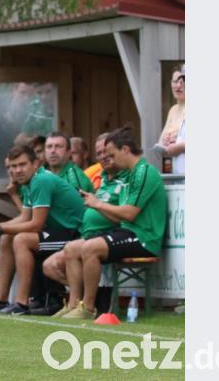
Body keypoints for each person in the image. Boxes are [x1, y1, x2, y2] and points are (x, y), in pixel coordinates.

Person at [58, 127, 167, 319]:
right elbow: (120, 216)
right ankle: (74, 304)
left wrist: (98, 203)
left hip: (144, 238)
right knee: (71, 248)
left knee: (91, 247)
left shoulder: (144, 172)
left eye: (112, 155)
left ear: (125, 149)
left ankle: (88, 308)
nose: (110, 160)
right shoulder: (131, 174)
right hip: (127, 232)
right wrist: (96, 204)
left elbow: (130, 214)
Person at [0, 145, 84, 315]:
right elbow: (25, 218)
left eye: (22, 165)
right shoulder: (28, 182)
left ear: (35, 164)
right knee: (8, 237)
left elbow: (36, 224)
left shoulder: (41, 180)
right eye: (13, 166)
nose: (17, 170)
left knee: (21, 239)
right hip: (58, 231)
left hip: (76, 234)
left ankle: (22, 302)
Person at [43, 131, 128, 315]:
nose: (103, 157)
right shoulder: (105, 178)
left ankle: (88, 304)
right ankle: (74, 303)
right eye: (99, 154)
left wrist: (97, 206)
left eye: (107, 152)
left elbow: (126, 215)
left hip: (97, 233)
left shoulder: (127, 178)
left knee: (24, 242)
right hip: (88, 234)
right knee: (49, 264)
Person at [155, 64, 185, 174]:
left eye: (181, 82)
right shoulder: (172, 110)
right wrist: (166, 142)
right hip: (176, 170)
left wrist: (178, 144)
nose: (178, 86)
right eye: (174, 81)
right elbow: (161, 141)